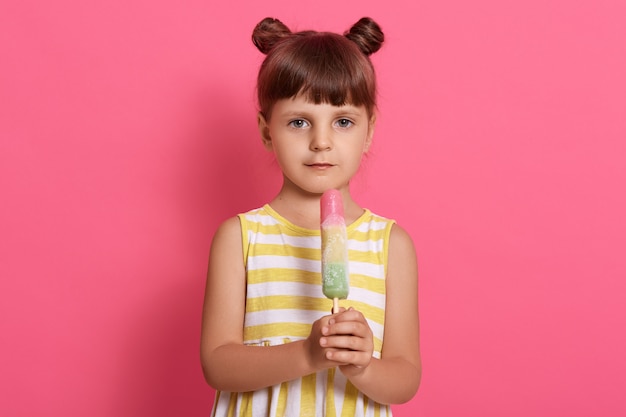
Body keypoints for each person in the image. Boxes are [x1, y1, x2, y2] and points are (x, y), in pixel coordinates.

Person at [201, 16, 421, 417]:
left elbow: (405, 378)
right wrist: (307, 353)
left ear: (369, 130)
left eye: (343, 122)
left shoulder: (390, 244)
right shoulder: (240, 237)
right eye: (299, 122)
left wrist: (363, 365)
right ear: (267, 131)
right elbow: (217, 364)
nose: (321, 141)